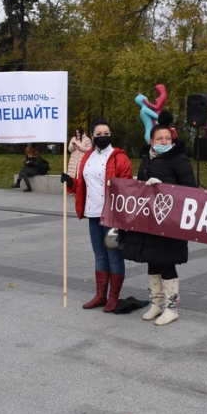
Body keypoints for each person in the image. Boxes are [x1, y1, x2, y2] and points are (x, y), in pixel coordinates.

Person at [122, 118, 196, 325]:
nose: (163, 141)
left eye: (167, 138)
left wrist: (164, 187)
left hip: (169, 220)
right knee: (152, 259)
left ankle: (171, 308)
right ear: (151, 140)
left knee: (166, 261)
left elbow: (190, 189)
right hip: (150, 220)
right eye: (159, 138)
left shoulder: (179, 159)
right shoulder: (147, 158)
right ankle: (156, 303)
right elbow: (140, 186)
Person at [60, 118, 133, 312]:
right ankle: (100, 295)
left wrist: (117, 186)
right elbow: (83, 184)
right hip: (93, 213)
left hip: (112, 216)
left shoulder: (119, 157)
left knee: (113, 255)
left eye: (106, 134)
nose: (102, 137)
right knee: (99, 255)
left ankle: (113, 298)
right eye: (98, 134)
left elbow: (127, 186)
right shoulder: (87, 157)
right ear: (92, 136)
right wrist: (70, 183)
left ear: (110, 135)